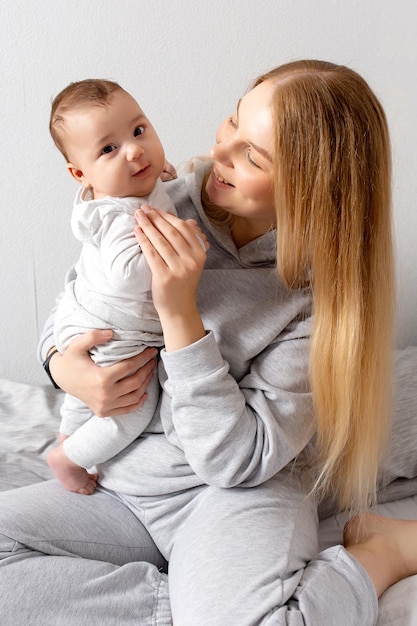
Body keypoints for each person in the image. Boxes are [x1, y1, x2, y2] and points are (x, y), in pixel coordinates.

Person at [1, 59, 417, 625]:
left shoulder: (322, 301)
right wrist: (61, 365)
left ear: (311, 188)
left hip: (232, 494)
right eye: (233, 123)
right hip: (125, 483)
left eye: (253, 156)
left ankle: (381, 556)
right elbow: (84, 295)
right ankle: (193, 605)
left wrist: (179, 318)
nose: (220, 153)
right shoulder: (164, 195)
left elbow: (236, 462)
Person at [45, 78, 206, 495]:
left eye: (138, 131)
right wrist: (180, 239)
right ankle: (69, 456)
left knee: (82, 400)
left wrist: (162, 180)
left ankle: (67, 438)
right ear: (81, 174)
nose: (135, 151)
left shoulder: (140, 187)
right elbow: (126, 274)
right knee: (133, 407)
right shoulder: (117, 216)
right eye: (108, 149)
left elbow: (154, 188)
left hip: (86, 318)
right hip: (114, 330)